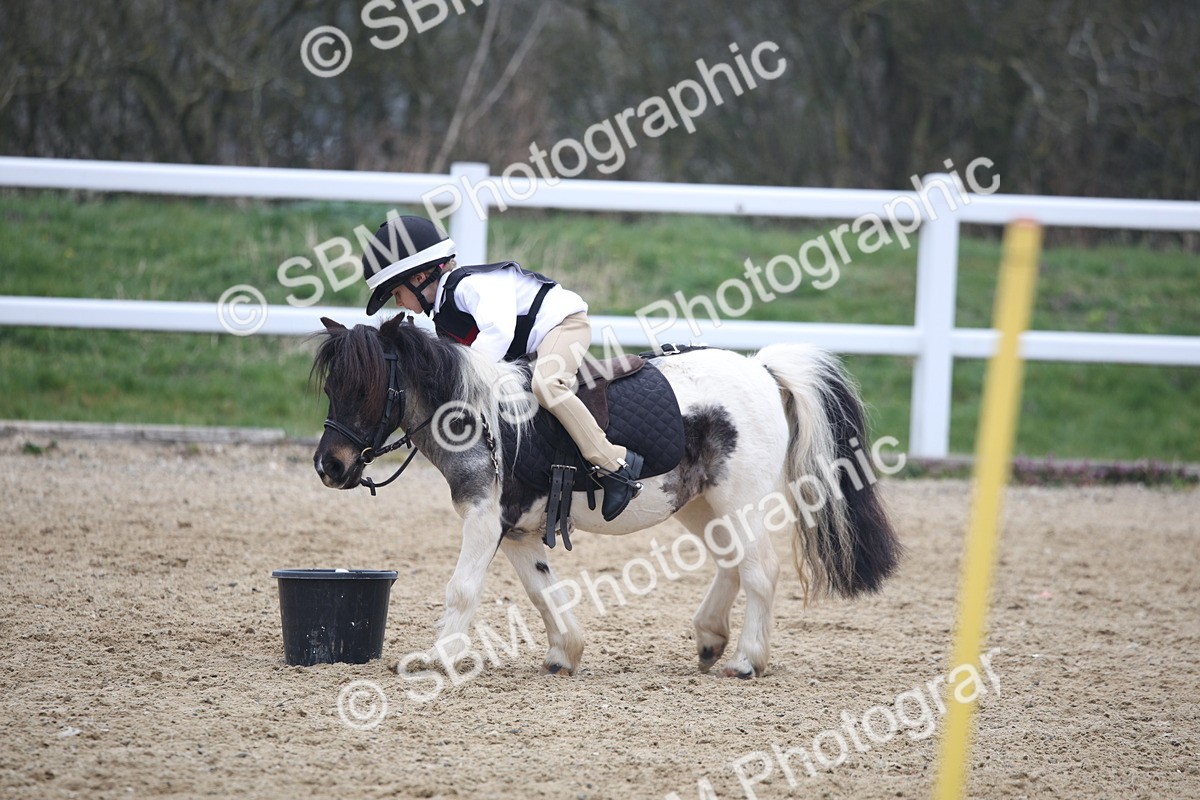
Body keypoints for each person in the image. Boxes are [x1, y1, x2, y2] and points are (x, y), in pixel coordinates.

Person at [359, 215, 643, 521]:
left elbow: (499, 333)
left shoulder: (469, 286)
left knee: (547, 386)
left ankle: (617, 466)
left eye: (396, 293)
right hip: (530, 348)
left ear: (419, 277)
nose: (398, 303)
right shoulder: (442, 314)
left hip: (563, 325)